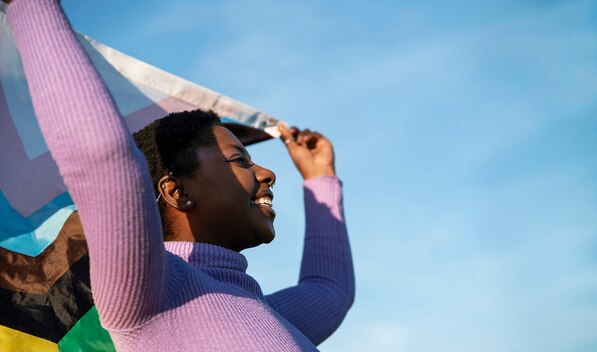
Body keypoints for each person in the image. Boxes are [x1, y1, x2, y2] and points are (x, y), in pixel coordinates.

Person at [6, 0, 354, 351]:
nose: (268, 173)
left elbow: (330, 290)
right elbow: (104, 160)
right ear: (176, 191)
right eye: (240, 161)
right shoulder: (149, 290)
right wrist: (32, 7)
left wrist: (319, 175)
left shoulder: (269, 312)